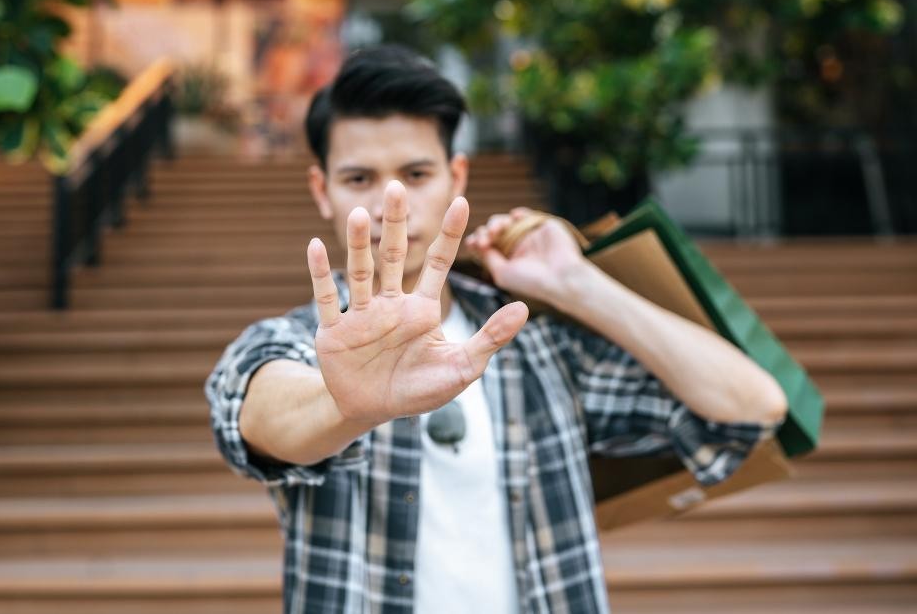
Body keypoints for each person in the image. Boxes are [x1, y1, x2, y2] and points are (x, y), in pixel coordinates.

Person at [204, 44, 788, 614]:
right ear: (321, 189)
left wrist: (577, 283)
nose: (392, 202)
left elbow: (751, 407)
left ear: (457, 176)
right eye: (359, 179)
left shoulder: (530, 339)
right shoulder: (296, 343)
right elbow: (258, 415)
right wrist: (345, 407)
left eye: (416, 172)